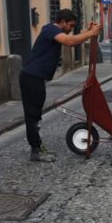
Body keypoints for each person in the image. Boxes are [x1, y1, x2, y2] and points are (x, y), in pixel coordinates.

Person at [20, 9, 101, 162]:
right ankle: (36, 151)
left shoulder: (52, 30)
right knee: (32, 117)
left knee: (35, 115)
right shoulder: (51, 29)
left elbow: (71, 39)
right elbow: (70, 42)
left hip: (35, 78)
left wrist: (87, 31)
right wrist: (90, 34)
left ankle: (37, 148)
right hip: (31, 78)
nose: (71, 29)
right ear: (62, 22)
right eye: (70, 25)